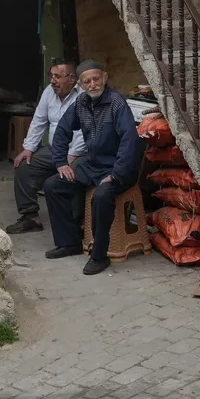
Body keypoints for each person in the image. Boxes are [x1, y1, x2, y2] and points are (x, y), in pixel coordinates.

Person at [42, 59, 141, 275]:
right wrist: (60, 162)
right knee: (53, 185)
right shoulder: (81, 103)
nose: (93, 84)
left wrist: (116, 174)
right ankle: (69, 243)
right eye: (87, 81)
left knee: (101, 196)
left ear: (104, 78)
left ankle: (99, 255)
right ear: (81, 84)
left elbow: (129, 142)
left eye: (97, 78)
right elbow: (61, 132)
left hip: (119, 168)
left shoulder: (117, 103)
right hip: (93, 164)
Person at [5, 59, 85, 234]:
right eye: (51, 75)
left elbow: (85, 132)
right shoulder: (49, 92)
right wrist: (29, 148)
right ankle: (30, 217)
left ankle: (75, 222)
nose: (52, 80)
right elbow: (39, 120)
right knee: (24, 165)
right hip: (55, 149)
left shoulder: (83, 96)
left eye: (57, 76)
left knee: (71, 175)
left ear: (72, 78)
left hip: (78, 152)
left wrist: (71, 156)